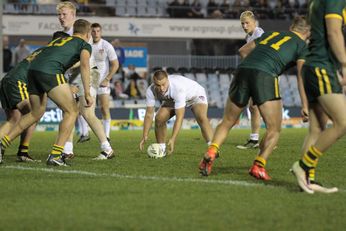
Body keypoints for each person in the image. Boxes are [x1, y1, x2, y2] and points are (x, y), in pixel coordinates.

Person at [199, 16, 310, 180]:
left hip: (242, 71)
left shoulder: (271, 34)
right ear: (308, 32)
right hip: (265, 74)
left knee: (228, 121)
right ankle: (259, 165)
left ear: (291, 27)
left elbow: (243, 51)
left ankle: (212, 150)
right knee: (274, 128)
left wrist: (254, 68)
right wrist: (305, 105)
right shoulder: (302, 46)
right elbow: (302, 76)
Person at [0, 19, 93, 166]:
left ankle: (2, 145)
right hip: (49, 71)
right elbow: (85, 65)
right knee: (72, 111)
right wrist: (87, 92)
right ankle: (56, 155)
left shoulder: (60, 41)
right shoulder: (84, 44)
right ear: (88, 34)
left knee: (35, 113)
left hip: (31, 71)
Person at [291, 0, 346, 194]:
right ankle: (303, 165)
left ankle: (307, 179)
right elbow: (333, 32)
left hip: (314, 64)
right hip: (321, 66)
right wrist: (345, 64)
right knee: (343, 122)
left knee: (316, 129)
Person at [139, 70, 213, 154]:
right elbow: (149, 114)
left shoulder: (177, 88)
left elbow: (179, 117)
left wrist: (173, 138)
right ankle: (161, 150)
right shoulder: (150, 90)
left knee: (201, 117)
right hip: (174, 99)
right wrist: (145, 135)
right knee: (159, 118)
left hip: (195, 95)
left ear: (167, 79)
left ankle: (212, 148)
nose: (162, 88)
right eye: (158, 85)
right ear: (154, 82)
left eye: (163, 84)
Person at [0, 53, 41, 163]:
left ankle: (22, 152)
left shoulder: (41, 51)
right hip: (18, 81)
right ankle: (23, 152)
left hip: (7, 80)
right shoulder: (52, 53)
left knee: (13, 119)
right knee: (34, 114)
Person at [236, 10, 264, 150]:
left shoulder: (259, 34)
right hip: (255, 72)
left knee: (261, 106)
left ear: (254, 23)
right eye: (242, 24)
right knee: (253, 106)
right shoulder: (249, 37)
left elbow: (260, 54)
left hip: (262, 72)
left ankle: (270, 138)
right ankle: (254, 139)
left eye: (247, 23)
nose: (245, 26)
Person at [91, 23, 119, 141]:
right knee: (85, 108)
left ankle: (107, 136)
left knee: (104, 108)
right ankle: (84, 133)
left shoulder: (106, 45)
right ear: (90, 32)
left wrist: (107, 79)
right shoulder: (86, 44)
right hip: (90, 81)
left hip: (103, 82)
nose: (96, 33)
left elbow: (115, 64)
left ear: (101, 32)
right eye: (93, 31)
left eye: (98, 31)